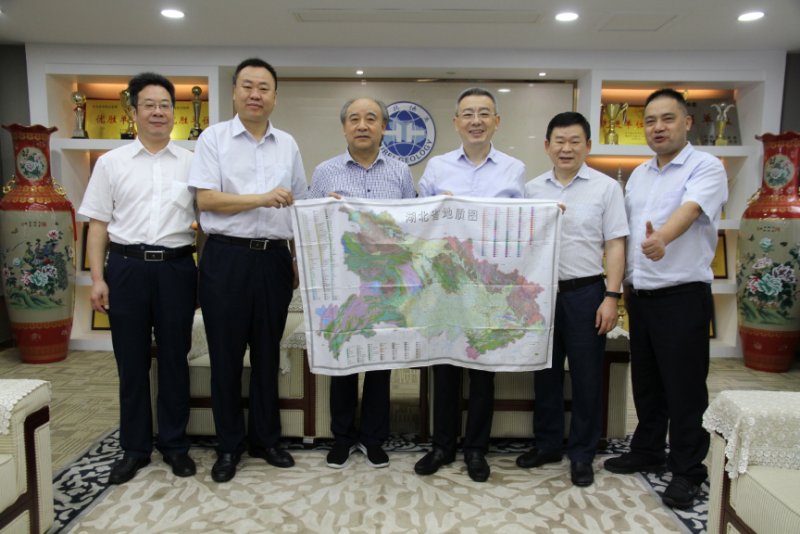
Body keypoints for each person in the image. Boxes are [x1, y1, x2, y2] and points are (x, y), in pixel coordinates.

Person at [603, 89, 727, 509]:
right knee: (648, 381)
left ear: (686, 123)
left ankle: (689, 470)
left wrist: (662, 239)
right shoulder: (639, 174)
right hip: (641, 295)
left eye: (668, 119)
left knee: (685, 387)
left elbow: (690, 210)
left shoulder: (706, 166)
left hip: (682, 295)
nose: (658, 127)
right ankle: (648, 449)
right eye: (651, 120)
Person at [188, 57, 307, 483]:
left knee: (267, 353)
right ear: (235, 92)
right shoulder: (213, 138)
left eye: (264, 88)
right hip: (226, 257)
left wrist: (297, 258)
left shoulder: (287, 144)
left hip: (273, 259)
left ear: (275, 96)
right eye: (248, 86)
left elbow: (298, 205)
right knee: (225, 355)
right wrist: (261, 198)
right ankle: (228, 446)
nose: (256, 94)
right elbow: (206, 200)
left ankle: (266, 439)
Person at [79, 72, 197, 484]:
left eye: (165, 105)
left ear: (174, 113)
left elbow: (208, 220)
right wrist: (98, 278)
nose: (158, 112)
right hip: (126, 268)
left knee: (175, 359)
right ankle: (134, 448)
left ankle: (175, 444)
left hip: (177, 267)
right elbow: (98, 225)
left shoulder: (192, 162)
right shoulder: (111, 163)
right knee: (130, 361)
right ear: (133, 111)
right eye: (149, 105)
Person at [413, 87, 525, 482]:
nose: (476, 121)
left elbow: (524, 225)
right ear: (456, 122)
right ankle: (442, 446)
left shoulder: (513, 169)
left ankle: (476, 449)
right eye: (468, 114)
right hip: (445, 284)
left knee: (482, 369)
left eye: (484, 113)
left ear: (497, 121)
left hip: (490, 286)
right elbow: (417, 221)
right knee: (444, 366)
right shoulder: (437, 168)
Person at [519, 111, 628, 487]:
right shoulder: (531, 190)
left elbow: (616, 244)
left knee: (586, 376)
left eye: (574, 141)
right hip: (542, 295)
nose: (566, 148)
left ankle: (582, 453)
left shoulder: (605, 189)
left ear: (588, 145)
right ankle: (547, 444)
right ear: (547, 146)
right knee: (545, 374)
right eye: (559, 141)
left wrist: (612, 296)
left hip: (587, 293)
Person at [308, 97, 417, 469]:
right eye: (354, 119)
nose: (362, 125)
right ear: (344, 128)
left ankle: (373, 438)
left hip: (384, 283)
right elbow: (310, 226)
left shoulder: (400, 172)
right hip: (341, 282)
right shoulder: (325, 172)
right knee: (343, 359)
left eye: (371, 118)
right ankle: (342, 437)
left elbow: (411, 225)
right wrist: (323, 208)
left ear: (384, 127)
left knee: (379, 361)